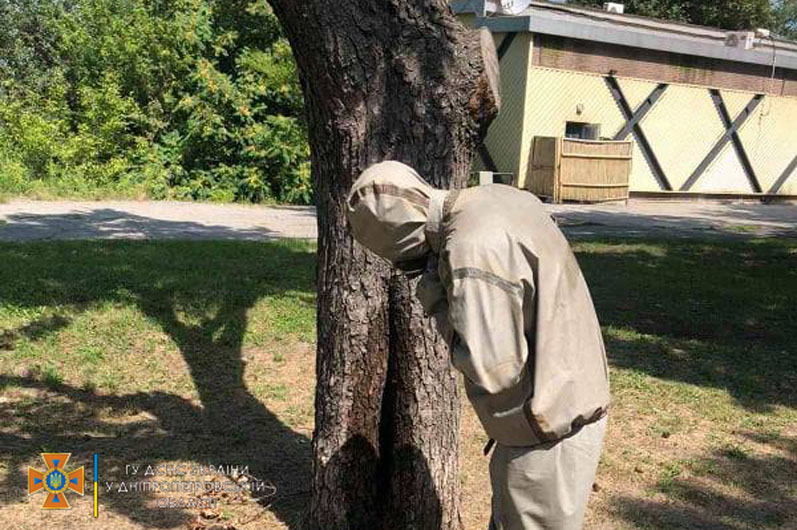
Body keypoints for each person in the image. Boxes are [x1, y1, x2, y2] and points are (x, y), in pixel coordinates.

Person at [346, 161, 610, 530]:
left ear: (399, 239)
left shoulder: (469, 248)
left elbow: (494, 367)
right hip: (568, 393)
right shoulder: (494, 199)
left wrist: (436, 296)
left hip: (547, 429)